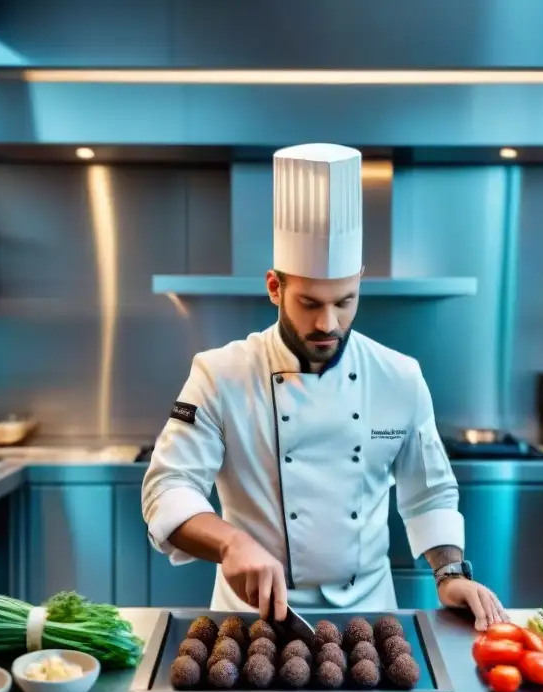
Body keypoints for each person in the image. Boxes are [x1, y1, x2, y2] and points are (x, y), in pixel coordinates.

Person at [141, 142, 507, 630]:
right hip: (247, 621)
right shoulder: (219, 374)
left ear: (359, 282)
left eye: (345, 301)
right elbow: (168, 487)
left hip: (372, 619)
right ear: (275, 288)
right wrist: (231, 542)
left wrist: (450, 573)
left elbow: (430, 493)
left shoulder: (399, 377)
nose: (329, 323)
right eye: (310, 302)